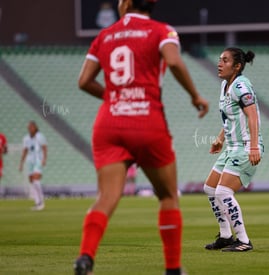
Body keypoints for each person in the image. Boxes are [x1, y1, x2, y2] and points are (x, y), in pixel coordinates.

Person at [73, 0, 209, 274]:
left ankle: (85, 257)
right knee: (168, 195)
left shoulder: (104, 35)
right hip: (147, 120)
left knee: (106, 196)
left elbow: (84, 81)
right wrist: (194, 96)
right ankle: (172, 269)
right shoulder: (162, 30)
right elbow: (173, 61)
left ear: (127, 4)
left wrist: (114, 97)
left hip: (109, 123)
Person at [203, 47, 263, 252]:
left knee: (223, 191)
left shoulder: (241, 85)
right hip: (232, 147)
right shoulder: (224, 85)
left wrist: (254, 146)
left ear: (237, 66)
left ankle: (244, 241)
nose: (220, 63)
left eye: (225, 60)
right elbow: (231, 117)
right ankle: (226, 236)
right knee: (210, 188)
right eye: (220, 59)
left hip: (246, 147)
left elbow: (252, 116)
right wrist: (220, 139)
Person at [19, 121, 47, 211]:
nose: (30, 129)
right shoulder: (26, 138)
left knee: (36, 179)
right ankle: (37, 202)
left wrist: (44, 159)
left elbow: (44, 148)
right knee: (32, 181)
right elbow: (25, 151)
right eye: (28, 127)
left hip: (38, 160)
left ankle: (41, 201)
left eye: (31, 127)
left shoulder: (40, 136)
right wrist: (21, 163)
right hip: (30, 161)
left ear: (35, 127)